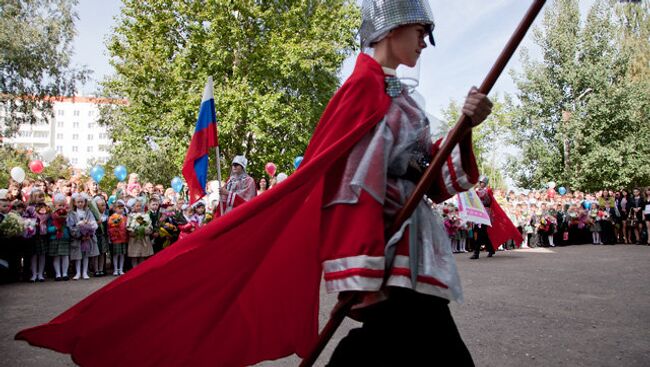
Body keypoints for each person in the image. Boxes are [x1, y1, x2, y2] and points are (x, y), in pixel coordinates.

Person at [15, 2, 498, 365]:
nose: (424, 41)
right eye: (420, 30)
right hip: (389, 254)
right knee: (426, 347)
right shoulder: (363, 91)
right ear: (392, 26)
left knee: (403, 347)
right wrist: (361, 267)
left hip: (410, 248)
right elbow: (353, 186)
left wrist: (464, 127)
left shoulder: (406, 101)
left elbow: (429, 179)